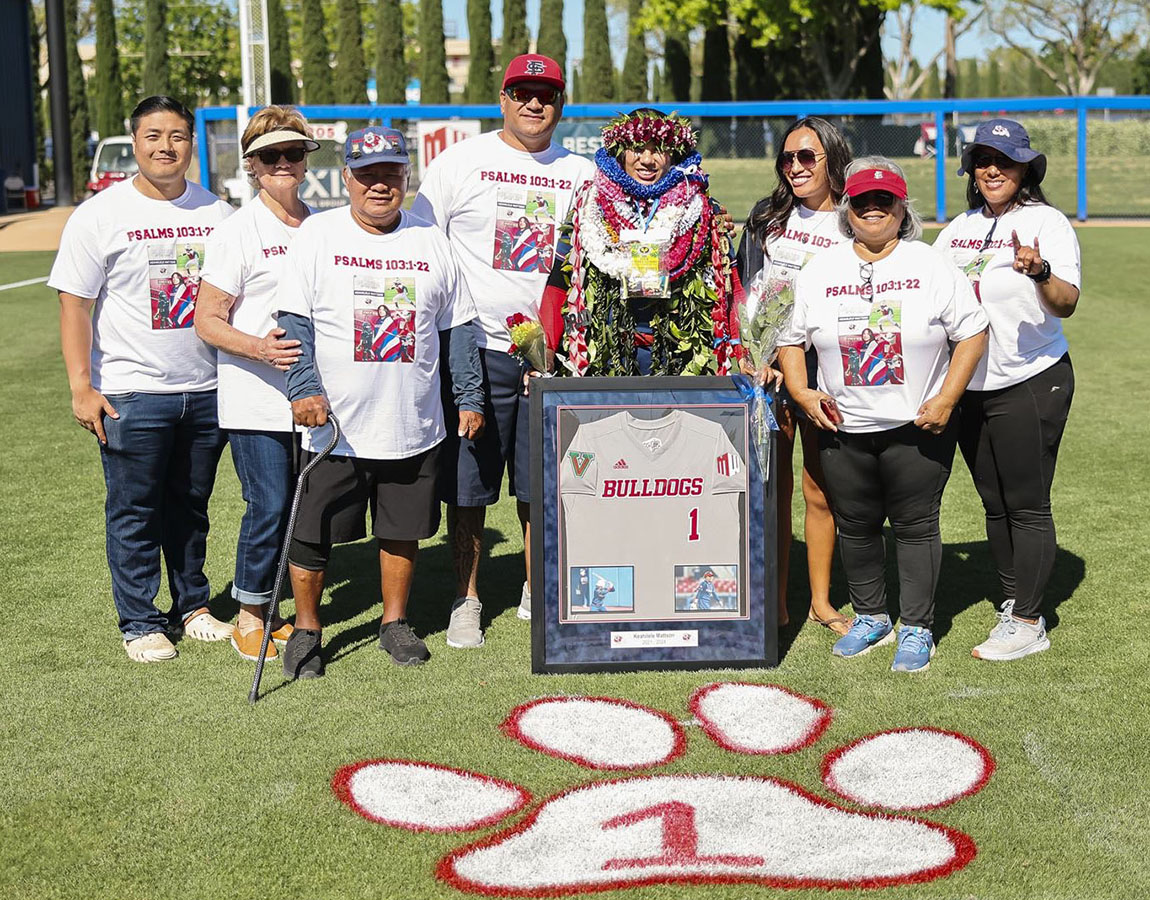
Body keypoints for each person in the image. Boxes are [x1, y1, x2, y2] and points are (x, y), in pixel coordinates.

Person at [273, 126, 485, 678]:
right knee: (313, 531)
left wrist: (468, 395)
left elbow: (458, 327)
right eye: (367, 174)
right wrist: (304, 389)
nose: (380, 185)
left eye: (390, 173)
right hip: (333, 425)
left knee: (403, 529)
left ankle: (394, 623)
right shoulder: (317, 236)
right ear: (347, 178)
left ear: (405, 176)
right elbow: (294, 323)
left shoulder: (431, 241)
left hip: (412, 421)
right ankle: (306, 629)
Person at [411, 54, 595, 647]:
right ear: (503, 98)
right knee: (469, 485)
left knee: (543, 482)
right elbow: (421, 249)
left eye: (546, 94)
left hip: (553, 355)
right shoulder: (461, 162)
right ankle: (466, 598)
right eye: (522, 92)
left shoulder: (584, 173)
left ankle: (536, 586)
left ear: (562, 103)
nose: (534, 104)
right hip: (477, 347)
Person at [777, 158, 989, 673]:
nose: (873, 208)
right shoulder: (822, 268)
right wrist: (803, 394)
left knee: (916, 527)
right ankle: (872, 615)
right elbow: (789, 337)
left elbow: (973, 332)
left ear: (901, 208)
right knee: (856, 524)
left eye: (884, 199)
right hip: (842, 425)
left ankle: (917, 626)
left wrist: (946, 399)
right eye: (862, 200)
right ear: (847, 208)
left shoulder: (930, 263)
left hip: (916, 426)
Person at [49, 95, 235, 662]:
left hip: (206, 391)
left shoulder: (219, 214)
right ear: (135, 142)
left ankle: (194, 606)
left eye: (177, 136)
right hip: (131, 393)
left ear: (191, 143)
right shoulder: (100, 215)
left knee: (192, 506)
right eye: (153, 136)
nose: (165, 147)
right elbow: (74, 305)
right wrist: (82, 386)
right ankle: (139, 621)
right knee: (134, 511)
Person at [934, 119, 1080, 661]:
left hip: (1032, 376)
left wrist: (1039, 270)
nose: (992, 169)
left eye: (1006, 160)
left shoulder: (1048, 223)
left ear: (1025, 169)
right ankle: (1014, 601)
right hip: (972, 384)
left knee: (1026, 503)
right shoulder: (957, 229)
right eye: (983, 160)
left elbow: (1066, 301)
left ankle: (1029, 620)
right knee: (993, 503)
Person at [194, 105, 320, 661]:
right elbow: (206, 319)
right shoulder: (236, 230)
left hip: (313, 398)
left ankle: (284, 610)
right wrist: (261, 349)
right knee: (268, 505)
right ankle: (250, 616)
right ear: (251, 164)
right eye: (271, 155)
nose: (284, 162)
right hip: (255, 399)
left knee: (302, 509)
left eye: (293, 152)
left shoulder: (321, 224)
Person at [737, 116, 853, 635]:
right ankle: (775, 600)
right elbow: (743, 289)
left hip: (829, 371)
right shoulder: (768, 216)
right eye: (787, 159)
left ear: (833, 158)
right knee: (770, 486)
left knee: (820, 490)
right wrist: (750, 351)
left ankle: (822, 602)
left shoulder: (856, 217)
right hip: (769, 371)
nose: (796, 167)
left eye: (808, 157)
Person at [539, 107, 742, 377]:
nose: (647, 160)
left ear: (674, 154)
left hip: (680, 362)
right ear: (621, 153)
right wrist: (547, 348)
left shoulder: (702, 209)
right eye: (637, 149)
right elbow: (558, 283)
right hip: (605, 362)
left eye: (658, 149)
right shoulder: (588, 206)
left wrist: (743, 351)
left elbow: (731, 285)